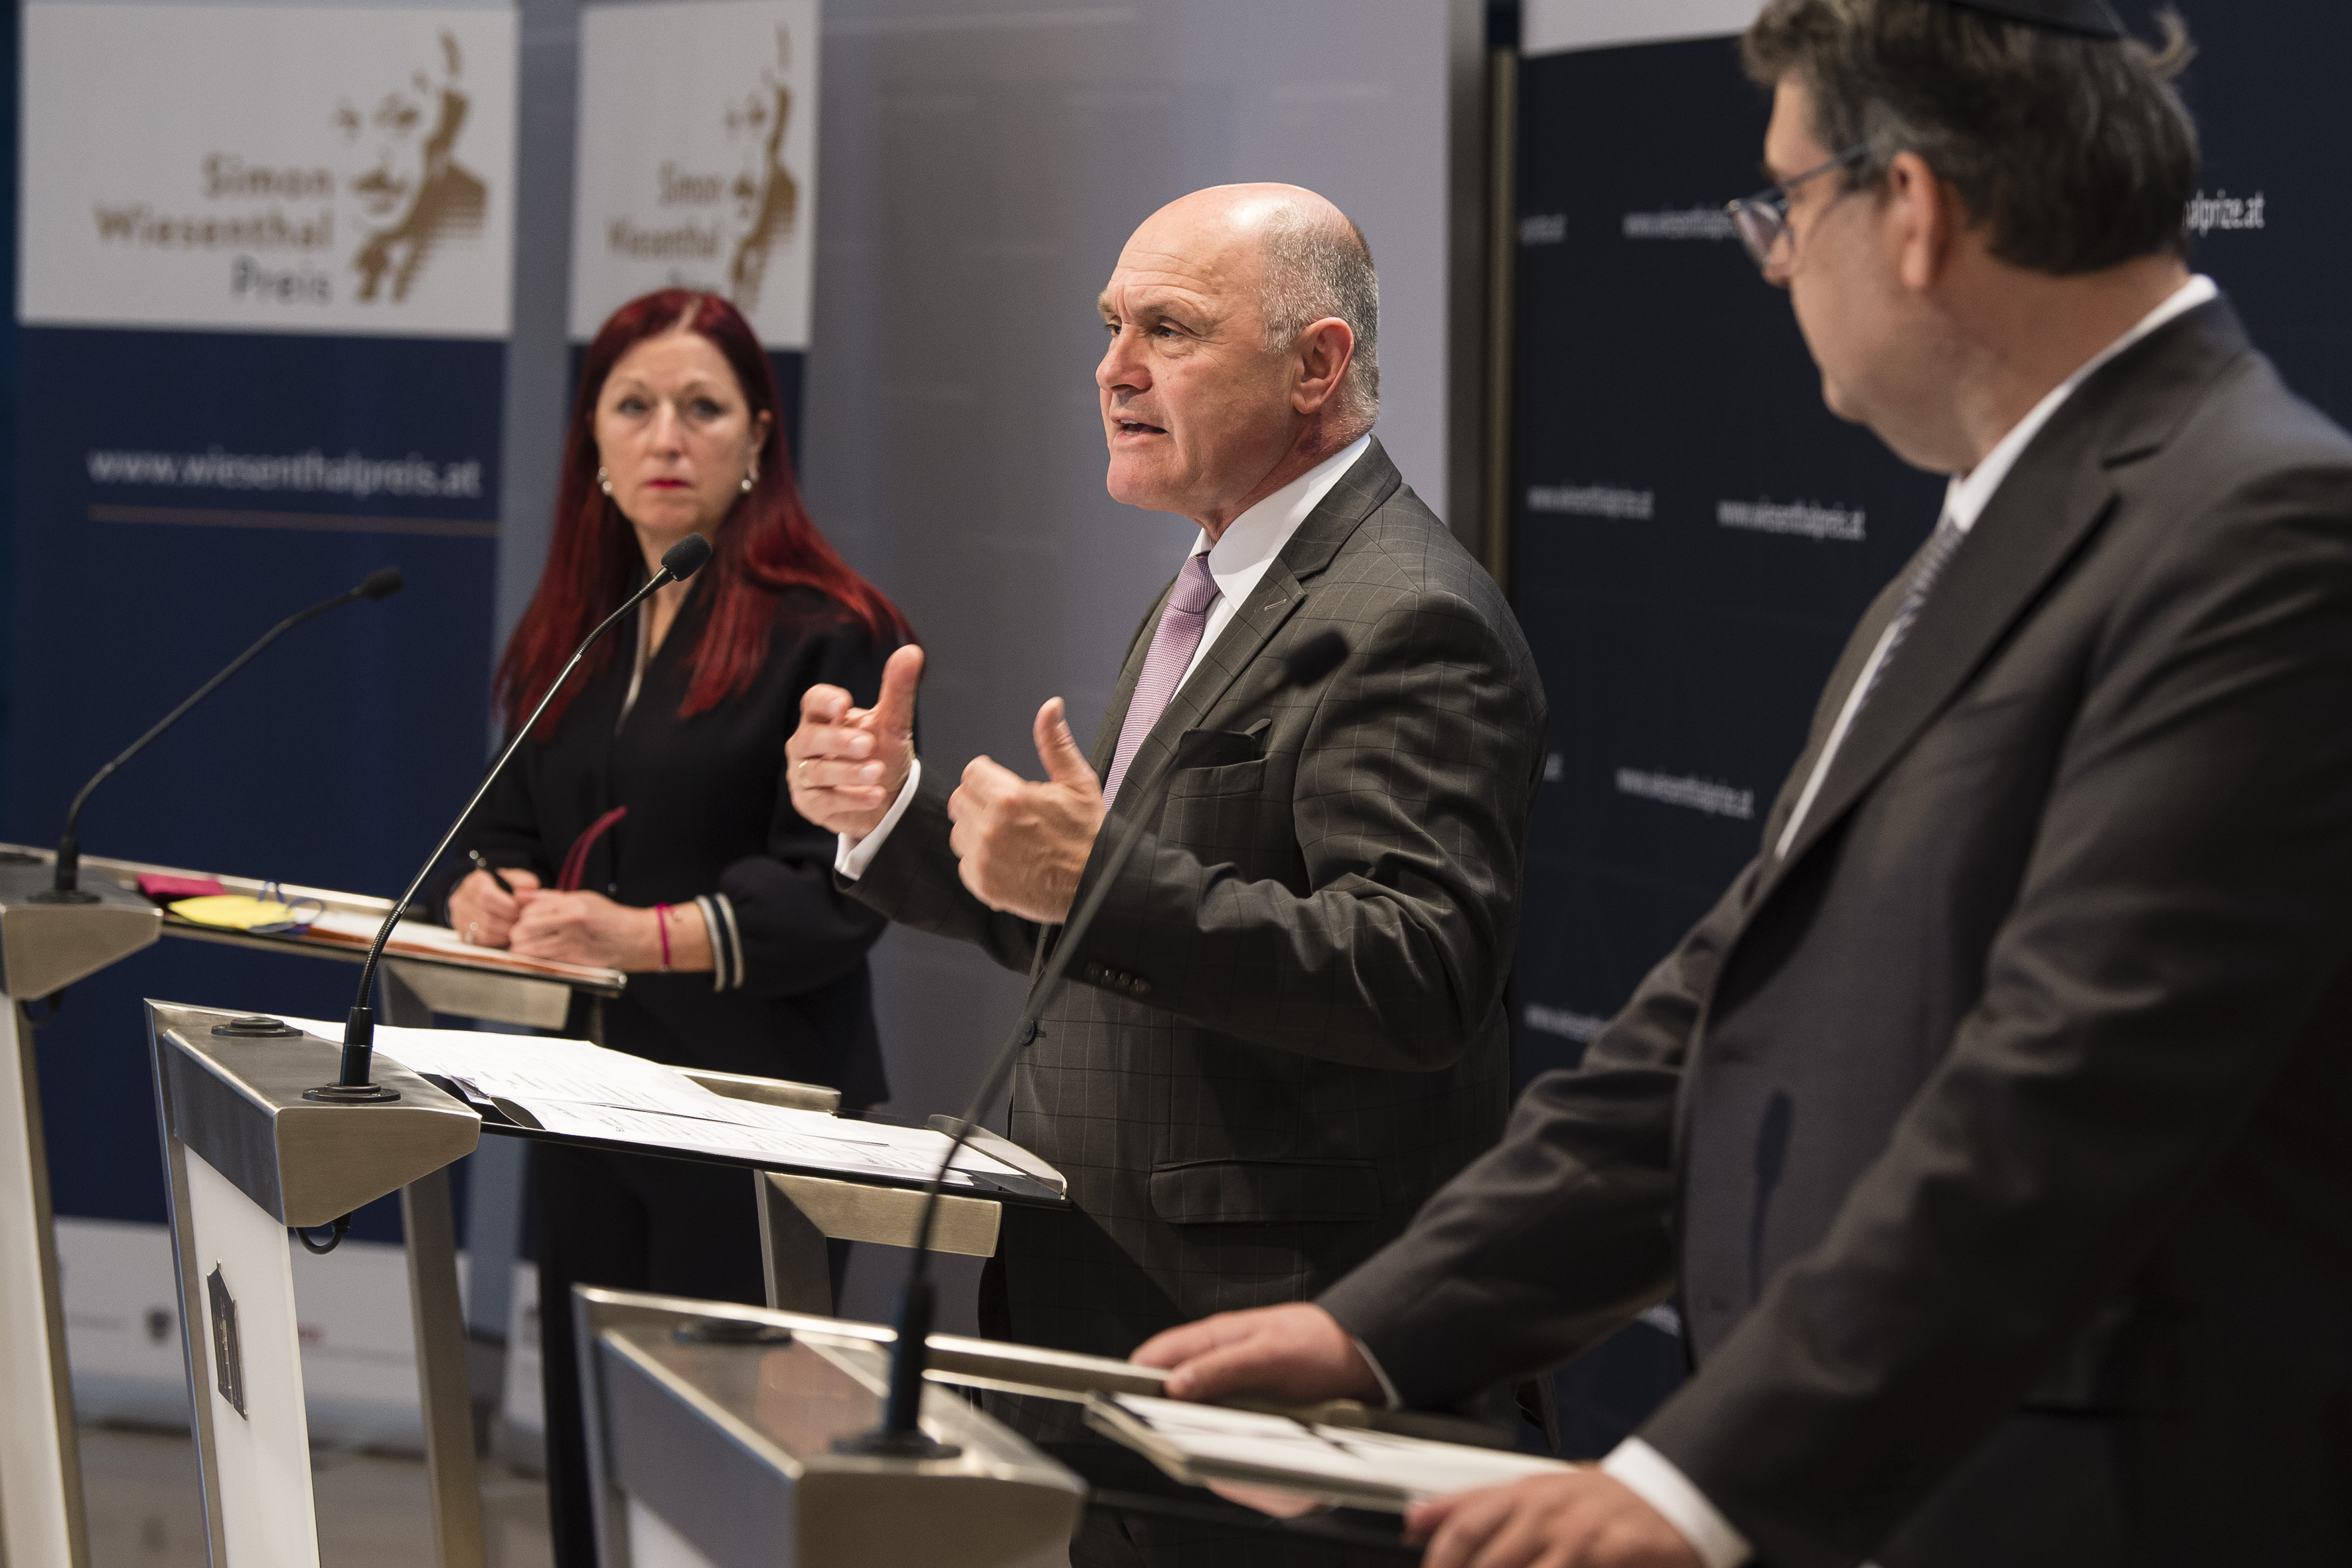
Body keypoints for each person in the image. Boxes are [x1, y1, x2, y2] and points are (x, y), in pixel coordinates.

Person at [1134, 5, 2352, 1567]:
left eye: (1784, 204)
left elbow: (2067, 1090)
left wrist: (1692, 1479)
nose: (1771, 262)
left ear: (1907, 208)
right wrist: (1378, 1328)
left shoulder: (2261, 532)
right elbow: (1717, 1015)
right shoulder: (1993, 528)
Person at [786, 184, 1546, 1564]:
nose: (1113, 367)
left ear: (1315, 365)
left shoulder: (1409, 613)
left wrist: (1097, 882)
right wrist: (893, 816)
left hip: (1265, 1347)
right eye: (1109, 325)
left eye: (1168, 330)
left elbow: (1414, 970)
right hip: (1109, 1316)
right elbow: (1120, 930)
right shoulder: (1221, 578)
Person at [445, 288, 911, 1567]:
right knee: (595, 1469)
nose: (666, 436)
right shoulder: (581, 622)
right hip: (588, 1102)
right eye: (634, 406)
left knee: (722, 1497)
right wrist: (486, 893)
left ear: (758, 436)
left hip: (752, 1115)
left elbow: (838, 892)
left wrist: (633, 935)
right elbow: (507, 826)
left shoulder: (836, 627)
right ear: (591, 440)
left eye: (702, 408)